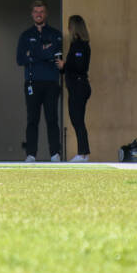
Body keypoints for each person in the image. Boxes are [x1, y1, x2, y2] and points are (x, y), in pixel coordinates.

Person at [17, 0, 63, 162]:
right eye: (36, 11)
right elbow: (20, 59)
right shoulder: (26, 35)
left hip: (51, 82)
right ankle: (31, 154)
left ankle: (55, 154)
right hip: (32, 82)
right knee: (32, 120)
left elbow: (56, 54)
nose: (38, 14)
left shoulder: (56, 34)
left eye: (41, 11)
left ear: (46, 13)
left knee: (52, 119)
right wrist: (45, 52)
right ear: (32, 14)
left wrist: (33, 54)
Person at [58, 15, 91, 162]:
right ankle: (83, 153)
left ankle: (83, 153)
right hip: (75, 86)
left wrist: (65, 65)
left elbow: (80, 67)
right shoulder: (76, 45)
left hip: (79, 86)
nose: (68, 29)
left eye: (69, 26)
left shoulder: (80, 46)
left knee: (78, 119)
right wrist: (63, 67)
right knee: (76, 119)